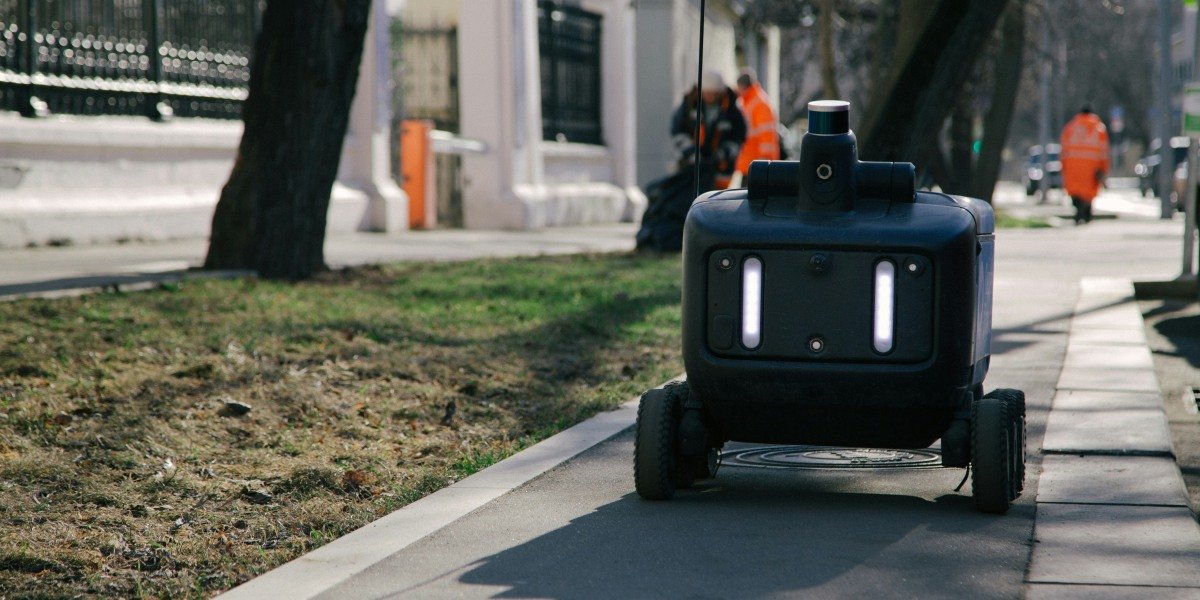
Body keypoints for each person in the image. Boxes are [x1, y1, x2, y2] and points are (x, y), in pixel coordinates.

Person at [669, 69, 747, 190]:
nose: (711, 97)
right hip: (691, 168)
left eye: (714, 93)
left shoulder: (731, 109)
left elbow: (739, 134)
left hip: (721, 169)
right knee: (690, 198)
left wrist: (725, 152)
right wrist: (690, 152)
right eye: (708, 93)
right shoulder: (689, 104)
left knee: (718, 202)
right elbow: (677, 130)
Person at [1059, 104, 1110, 224]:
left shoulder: (1070, 128)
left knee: (1075, 192)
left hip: (1073, 168)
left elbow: (1064, 151)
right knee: (1088, 194)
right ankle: (1086, 212)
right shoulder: (1099, 129)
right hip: (1092, 169)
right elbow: (1104, 152)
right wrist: (1103, 170)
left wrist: (1064, 167)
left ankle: (1079, 211)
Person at [734, 68, 781, 180]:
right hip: (752, 162)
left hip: (757, 164)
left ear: (743, 86)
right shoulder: (750, 101)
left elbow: (766, 135)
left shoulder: (758, 104)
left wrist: (764, 162)